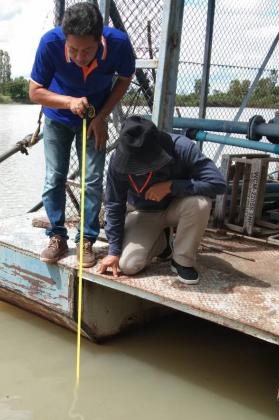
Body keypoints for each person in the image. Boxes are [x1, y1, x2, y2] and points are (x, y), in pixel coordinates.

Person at [29, 2, 135, 267]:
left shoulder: (120, 44)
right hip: (58, 118)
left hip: (93, 119)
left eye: (87, 50)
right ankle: (57, 236)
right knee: (55, 176)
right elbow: (34, 91)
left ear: (100, 38)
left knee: (92, 178)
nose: (79, 56)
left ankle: (86, 239)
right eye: (73, 49)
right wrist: (68, 102)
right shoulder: (50, 43)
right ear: (65, 38)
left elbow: (124, 79)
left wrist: (102, 116)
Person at [97, 116, 226, 284]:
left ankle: (182, 260)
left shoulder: (182, 147)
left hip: (177, 207)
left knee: (200, 203)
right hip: (144, 212)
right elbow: (114, 204)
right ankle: (163, 243)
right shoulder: (118, 160)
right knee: (128, 265)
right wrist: (113, 251)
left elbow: (218, 184)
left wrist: (171, 186)